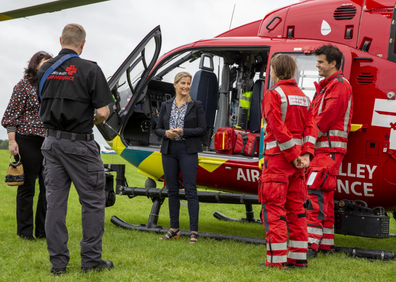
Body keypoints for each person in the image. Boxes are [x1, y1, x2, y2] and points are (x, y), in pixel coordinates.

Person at [37, 23, 114, 275]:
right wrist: (87, 119)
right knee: (92, 202)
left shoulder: (45, 70)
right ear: (82, 44)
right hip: (79, 144)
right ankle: (91, 261)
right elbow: (103, 112)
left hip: (50, 143)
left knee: (55, 204)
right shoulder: (90, 69)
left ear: (61, 40)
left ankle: (58, 264)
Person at [259, 54, 318, 269]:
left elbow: (276, 129)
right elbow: (312, 129)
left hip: (278, 162)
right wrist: (306, 155)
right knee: (297, 210)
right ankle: (298, 258)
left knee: (274, 211)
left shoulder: (273, 94)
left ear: (274, 70)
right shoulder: (304, 96)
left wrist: (293, 156)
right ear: (292, 71)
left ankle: (276, 262)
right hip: (299, 164)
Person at [306, 44, 353, 258]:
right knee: (324, 194)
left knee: (313, 192)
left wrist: (304, 139)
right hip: (326, 151)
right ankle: (325, 244)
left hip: (328, 151)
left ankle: (309, 244)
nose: (318, 65)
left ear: (333, 63)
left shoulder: (340, 86)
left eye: (321, 62)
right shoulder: (328, 86)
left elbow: (323, 119)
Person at [2, 51, 52, 241]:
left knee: (48, 188)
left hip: (49, 142)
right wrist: (12, 141)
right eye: (44, 62)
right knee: (27, 187)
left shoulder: (52, 86)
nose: (47, 65)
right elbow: (11, 115)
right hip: (27, 140)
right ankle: (24, 232)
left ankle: (43, 231)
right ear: (35, 65)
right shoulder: (23, 86)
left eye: (50, 62)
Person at [155, 71, 207, 244]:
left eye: (188, 83)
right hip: (169, 150)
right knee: (172, 190)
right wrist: (166, 133)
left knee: (191, 191)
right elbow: (157, 128)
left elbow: (202, 130)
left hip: (188, 150)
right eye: (183, 83)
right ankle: (174, 229)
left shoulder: (196, 105)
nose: (186, 86)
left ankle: (194, 232)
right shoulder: (165, 105)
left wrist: (183, 131)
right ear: (175, 85)